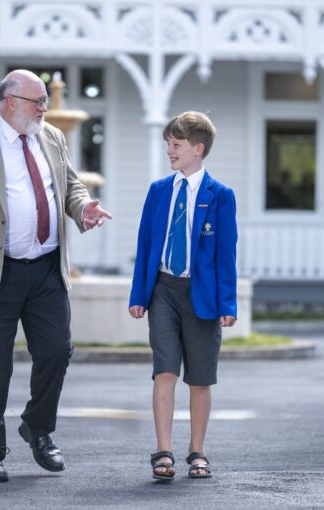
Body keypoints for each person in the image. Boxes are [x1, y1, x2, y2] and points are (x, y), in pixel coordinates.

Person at [0, 69, 112, 483]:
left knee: (56, 352)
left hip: (47, 268)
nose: (45, 109)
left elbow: (69, 186)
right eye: (38, 102)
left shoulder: (51, 136)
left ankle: (38, 427)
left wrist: (82, 208)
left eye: (46, 101)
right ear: (10, 102)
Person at [128, 111, 237, 482]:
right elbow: (145, 246)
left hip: (202, 296)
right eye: (168, 145)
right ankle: (163, 450)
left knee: (201, 377)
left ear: (197, 148)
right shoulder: (159, 191)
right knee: (165, 369)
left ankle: (197, 450)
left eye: (176, 145)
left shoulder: (220, 196)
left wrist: (228, 304)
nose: (170, 151)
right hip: (163, 291)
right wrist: (138, 294)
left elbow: (226, 253)